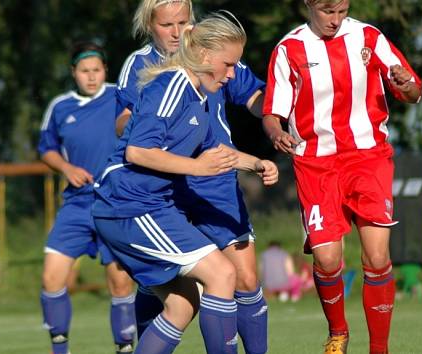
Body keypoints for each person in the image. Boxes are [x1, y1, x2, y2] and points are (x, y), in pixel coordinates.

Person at [92, 12, 278, 354]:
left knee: (182, 304)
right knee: (222, 274)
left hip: (145, 207)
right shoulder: (171, 85)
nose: (234, 74)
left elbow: (216, 151)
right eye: (230, 64)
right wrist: (195, 167)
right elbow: (136, 151)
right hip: (128, 206)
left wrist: (256, 163)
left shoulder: (199, 97)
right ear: (205, 55)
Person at [262, 1, 422, 353]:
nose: (335, 20)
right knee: (328, 259)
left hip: (368, 158)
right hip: (316, 165)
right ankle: (338, 332)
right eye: (327, 11)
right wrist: (275, 133)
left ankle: (379, 348)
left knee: (377, 257)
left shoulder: (368, 37)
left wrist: (405, 84)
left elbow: (413, 92)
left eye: (341, 11)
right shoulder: (289, 49)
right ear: (308, 5)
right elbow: (272, 112)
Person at [38, 42, 136, 354]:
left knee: (120, 283)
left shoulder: (120, 97)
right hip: (77, 204)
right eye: (84, 71)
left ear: (105, 71)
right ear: (73, 73)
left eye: (96, 70)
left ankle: (124, 348)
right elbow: (46, 149)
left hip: (115, 203)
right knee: (51, 278)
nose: (91, 77)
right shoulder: (60, 107)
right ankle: (59, 349)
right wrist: (66, 168)